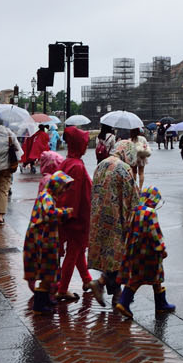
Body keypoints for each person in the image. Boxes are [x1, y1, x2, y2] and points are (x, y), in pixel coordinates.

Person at [89, 140, 140, 303]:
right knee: (117, 256)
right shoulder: (124, 168)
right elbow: (132, 199)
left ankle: (116, 294)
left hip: (99, 217)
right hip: (116, 218)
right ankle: (102, 283)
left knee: (108, 257)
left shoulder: (101, 164)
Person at [116, 186, 175, 317]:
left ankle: (161, 304)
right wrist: (162, 248)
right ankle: (124, 302)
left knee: (152, 276)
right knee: (141, 278)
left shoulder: (134, 210)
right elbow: (155, 233)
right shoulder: (150, 212)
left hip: (135, 250)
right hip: (150, 252)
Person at [53, 127, 95, 303]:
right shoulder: (77, 166)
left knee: (76, 250)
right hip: (76, 217)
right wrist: (72, 216)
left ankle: (87, 280)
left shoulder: (67, 162)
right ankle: (62, 289)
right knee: (74, 250)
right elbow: (75, 195)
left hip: (68, 215)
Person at [24, 171, 73, 313]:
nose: (64, 191)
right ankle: (39, 306)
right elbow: (50, 213)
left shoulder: (48, 196)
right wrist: (66, 212)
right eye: (63, 187)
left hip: (44, 239)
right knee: (47, 271)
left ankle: (44, 300)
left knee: (49, 272)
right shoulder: (47, 197)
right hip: (42, 241)